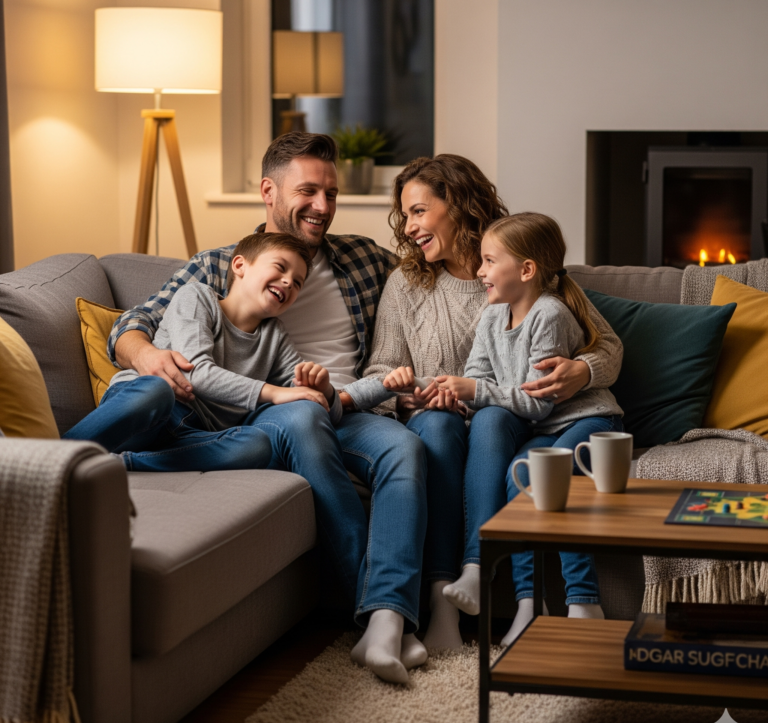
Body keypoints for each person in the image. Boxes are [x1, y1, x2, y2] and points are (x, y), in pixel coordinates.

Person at [105, 132, 428, 685]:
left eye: (331, 193)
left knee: (407, 448)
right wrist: (151, 356)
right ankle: (365, 603)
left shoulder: (364, 259)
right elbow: (128, 325)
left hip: (352, 407)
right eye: (308, 191)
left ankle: (387, 616)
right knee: (300, 416)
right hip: (270, 410)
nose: (323, 207)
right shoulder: (216, 267)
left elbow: (439, 273)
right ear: (268, 191)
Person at [343, 156, 623, 649]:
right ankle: (443, 608)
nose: (408, 229)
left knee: (490, 419)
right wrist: (410, 399)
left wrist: (582, 371)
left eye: (418, 212)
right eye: (404, 215)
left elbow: (608, 346)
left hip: (509, 418)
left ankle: (492, 588)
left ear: (457, 206)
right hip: (446, 420)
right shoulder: (406, 285)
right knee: (437, 427)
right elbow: (379, 371)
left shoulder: (525, 276)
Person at [430, 212, 624, 646]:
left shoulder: (550, 313)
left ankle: (583, 601)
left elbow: (537, 401)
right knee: (521, 479)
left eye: (488, 261)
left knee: (544, 477)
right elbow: (478, 378)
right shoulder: (491, 317)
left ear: (527, 270)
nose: (479, 271)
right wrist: (446, 391)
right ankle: (528, 606)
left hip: (589, 420)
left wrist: (478, 389)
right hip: (546, 428)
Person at [65, 232, 343, 470]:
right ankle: (56, 455)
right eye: (280, 268)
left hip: (189, 433)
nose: (287, 282)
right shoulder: (197, 296)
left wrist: (320, 389)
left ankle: (124, 463)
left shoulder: (276, 336)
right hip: (144, 411)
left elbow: (308, 398)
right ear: (240, 265)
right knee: (157, 389)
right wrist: (274, 391)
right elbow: (195, 373)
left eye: (297, 283)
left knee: (256, 444)